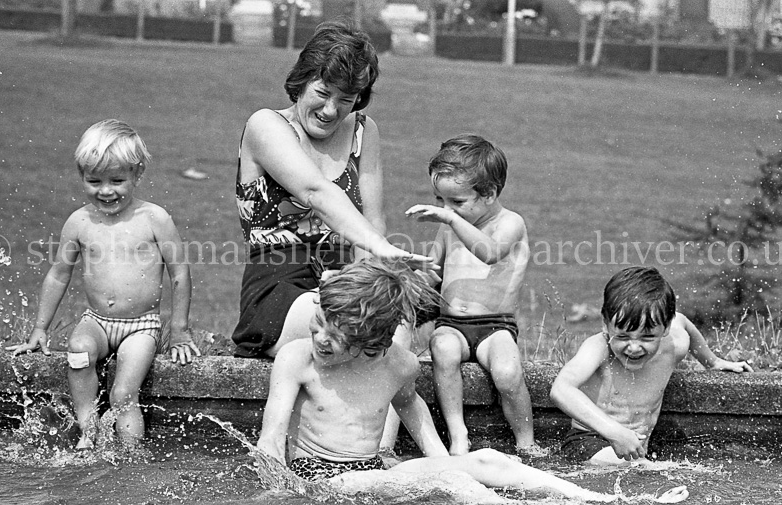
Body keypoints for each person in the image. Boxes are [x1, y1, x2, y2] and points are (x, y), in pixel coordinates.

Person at [255, 259, 688, 503]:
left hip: (369, 474)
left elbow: (410, 404)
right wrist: (276, 492)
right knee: (459, 484)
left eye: (336, 336)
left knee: (486, 462)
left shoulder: (397, 365)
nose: (320, 339)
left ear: (372, 343)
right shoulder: (299, 359)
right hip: (321, 480)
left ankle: (604, 500)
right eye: (319, 323)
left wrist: (441, 459)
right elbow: (271, 437)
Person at [231, 19, 432, 361]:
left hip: (346, 282)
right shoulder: (265, 125)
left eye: (346, 99)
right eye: (323, 93)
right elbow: (316, 192)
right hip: (279, 286)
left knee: (395, 329)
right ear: (302, 81)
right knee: (352, 324)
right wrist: (378, 245)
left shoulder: (364, 131)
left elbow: (373, 219)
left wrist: (368, 280)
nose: (330, 110)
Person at [7, 119, 201, 450]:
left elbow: (179, 273)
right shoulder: (80, 222)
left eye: (117, 181)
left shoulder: (153, 219)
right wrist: (40, 328)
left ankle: (130, 456)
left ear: (137, 174)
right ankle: (89, 429)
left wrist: (179, 330)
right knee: (78, 352)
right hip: (96, 320)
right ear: (81, 175)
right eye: (94, 181)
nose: (106, 191)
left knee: (123, 393)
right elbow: (59, 274)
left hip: (141, 326)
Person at [405, 135, 539, 457]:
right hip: (451, 323)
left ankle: (527, 442)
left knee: (507, 373)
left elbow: (490, 253)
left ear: (489, 193)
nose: (445, 209)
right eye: (440, 200)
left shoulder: (510, 223)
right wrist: (414, 270)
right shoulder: (449, 226)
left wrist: (450, 219)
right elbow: (432, 272)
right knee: (442, 348)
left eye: (456, 202)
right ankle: (458, 434)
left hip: (496, 326)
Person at [549, 266, 754, 466]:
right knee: (648, 469)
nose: (634, 347)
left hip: (637, 450)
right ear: (605, 324)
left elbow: (683, 323)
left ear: (665, 328)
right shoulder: (599, 347)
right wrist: (614, 432)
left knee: (643, 466)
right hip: (589, 440)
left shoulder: (673, 345)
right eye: (623, 336)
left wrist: (713, 361)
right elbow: (561, 389)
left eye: (647, 337)